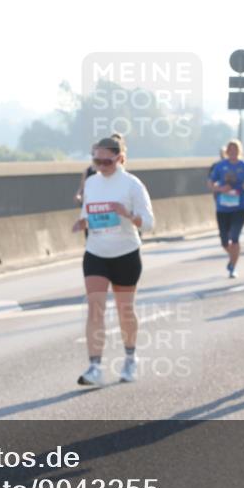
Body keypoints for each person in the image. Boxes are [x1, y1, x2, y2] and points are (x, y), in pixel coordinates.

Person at [72, 135, 154, 385]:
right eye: (96, 161)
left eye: (105, 161)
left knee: (124, 310)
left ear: (118, 158)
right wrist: (83, 221)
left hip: (126, 253)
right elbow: (88, 211)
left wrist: (127, 214)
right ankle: (95, 367)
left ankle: (130, 358)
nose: (100, 166)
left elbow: (149, 223)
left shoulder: (132, 185)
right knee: (95, 308)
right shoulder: (92, 183)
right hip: (96, 252)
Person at [208, 139, 244, 278]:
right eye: (230, 150)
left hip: (239, 207)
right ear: (226, 152)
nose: (232, 152)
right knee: (224, 241)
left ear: (239, 151)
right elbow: (210, 183)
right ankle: (233, 256)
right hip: (222, 208)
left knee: (234, 238)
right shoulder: (220, 166)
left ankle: (232, 266)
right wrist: (219, 188)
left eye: (235, 150)